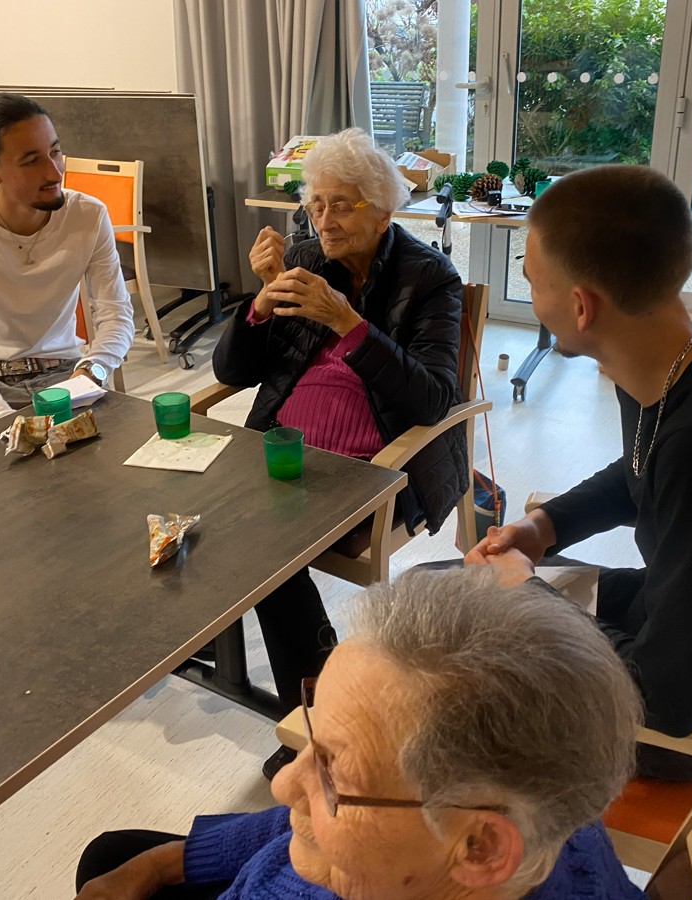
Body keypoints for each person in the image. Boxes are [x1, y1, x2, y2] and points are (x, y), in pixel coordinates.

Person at [464, 164, 692, 781]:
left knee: (441, 679)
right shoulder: (681, 356)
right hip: (675, 625)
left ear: (580, 306)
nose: (530, 296)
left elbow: (666, 702)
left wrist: (523, 595)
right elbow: (642, 467)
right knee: (443, 590)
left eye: (530, 281)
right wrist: (543, 526)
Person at [74, 567, 645, 900]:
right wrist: (158, 865)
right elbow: (300, 823)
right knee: (115, 855)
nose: (281, 785)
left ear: (481, 847)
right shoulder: (542, 793)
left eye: (332, 772)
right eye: (314, 737)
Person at [211, 128, 468, 778]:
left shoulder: (430, 277)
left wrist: (348, 323)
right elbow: (234, 372)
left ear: (382, 212)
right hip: (281, 449)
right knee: (202, 512)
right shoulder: (305, 258)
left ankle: (320, 717)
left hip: (373, 468)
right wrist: (258, 307)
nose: (324, 221)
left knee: (263, 552)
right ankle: (314, 696)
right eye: (316, 204)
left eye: (342, 205)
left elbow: (434, 398)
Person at [0, 92, 135, 441]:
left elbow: (116, 314)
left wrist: (92, 370)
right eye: (31, 161)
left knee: (108, 462)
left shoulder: (88, 215)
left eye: (55, 151)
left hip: (65, 373)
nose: (54, 171)